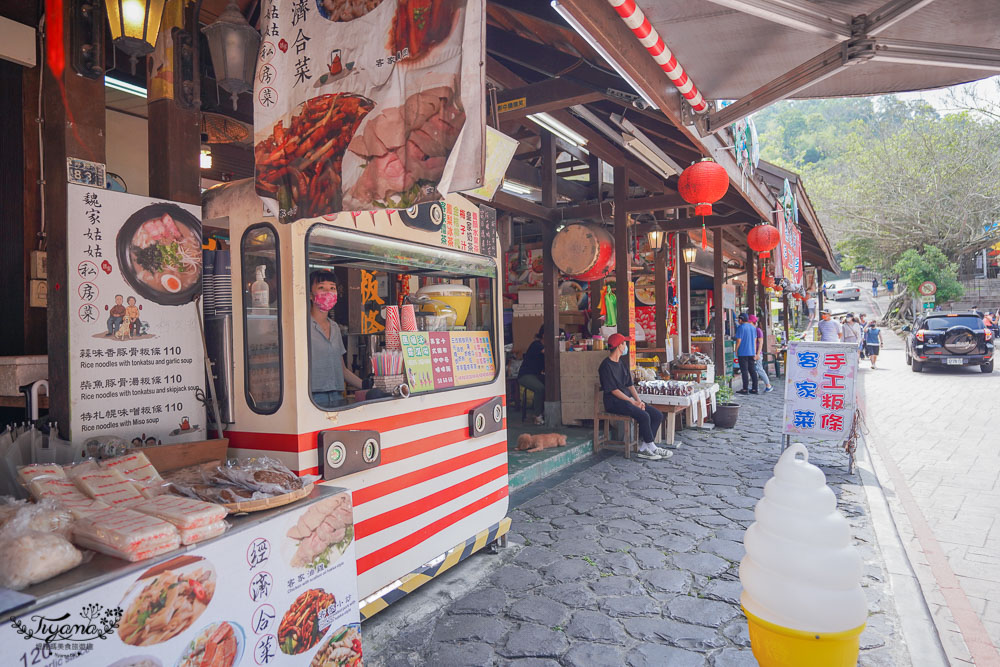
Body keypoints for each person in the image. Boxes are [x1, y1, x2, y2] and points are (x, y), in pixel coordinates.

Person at [599, 333, 668, 460]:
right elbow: (614, 390)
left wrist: (638, 401)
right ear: (619, 346)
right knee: (644, 416)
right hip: (614, 403)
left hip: (628, 401)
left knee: (657, 415)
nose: (626, 346)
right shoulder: (605, 366)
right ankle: (652, 447)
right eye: (624, 343)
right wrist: (632, 401)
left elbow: (630, 385)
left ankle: (644, 448)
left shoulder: (622, 364)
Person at [309, 270, 363, 409]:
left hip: (337, 396)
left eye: (332, 288)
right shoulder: (302, 326)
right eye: (321, 287)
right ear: (310, 294)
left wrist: (367, 386)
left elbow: (342, 370)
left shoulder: (334, 327)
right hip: (312, 398)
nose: (328, 292)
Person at [518, 326, 546, 425]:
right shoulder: (536, 345)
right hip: (525, 375)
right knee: (540, 388)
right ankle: (537, 415)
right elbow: (547, 352)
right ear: (543, 335)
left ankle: (543, 411)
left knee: (551, 385)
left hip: (536, 375)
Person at [734, 313, 759, 394]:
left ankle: (745, 389)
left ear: (741, 319)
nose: (738, 321)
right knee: (752, 371)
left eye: (738, 319)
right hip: (751, 352)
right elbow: (755, 340)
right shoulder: (753, 327)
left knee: (744, 371)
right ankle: (755, 388)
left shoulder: (740, 327)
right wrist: (754, 351)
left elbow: (738, 340)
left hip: (743, 352)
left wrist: (736, 350)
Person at [748, 315, 773, 393]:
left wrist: (758, 354)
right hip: (752, 352)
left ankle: (768, 385)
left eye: (749, 322)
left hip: (757, 353)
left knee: (759, 369)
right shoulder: (752, 330)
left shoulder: (758, 330)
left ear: (752, 322)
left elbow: (761, 343)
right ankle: (756, 387)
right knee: (754, 370)